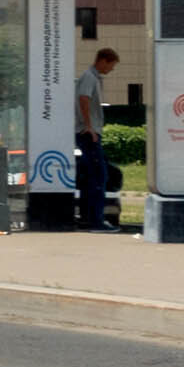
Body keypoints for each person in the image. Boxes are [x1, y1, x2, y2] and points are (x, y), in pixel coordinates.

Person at [76, 47, 120, 232]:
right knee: (99, 177)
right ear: (103, 60)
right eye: (111, 65)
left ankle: (89, 218)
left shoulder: (92, 77)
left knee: (92, 176)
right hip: (88, 133)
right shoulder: (90, 77)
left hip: (88, 132)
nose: (111, 69)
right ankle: (96, 221)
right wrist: (89, 127)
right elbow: (83, 99)